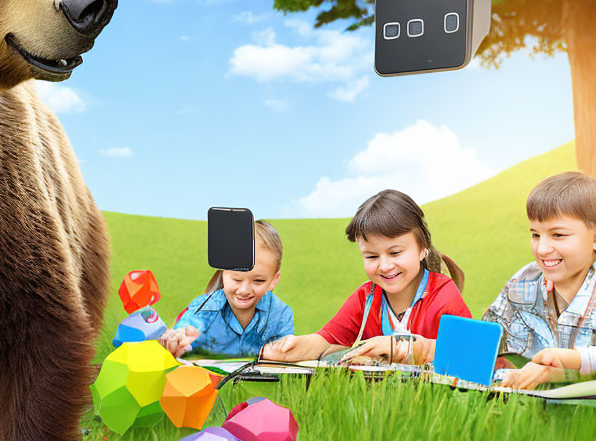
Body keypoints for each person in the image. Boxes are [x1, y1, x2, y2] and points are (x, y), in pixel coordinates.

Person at [262, 189, 470, 365]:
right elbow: (327, 341)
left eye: (395, 253)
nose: (385, 266)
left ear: (422, 248)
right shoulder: (367, 297)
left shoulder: (442, 294)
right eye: (372, 256)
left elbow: (472, 355)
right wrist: (292, 348)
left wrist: (407, 349)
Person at [483, 172, 596, 389]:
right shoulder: (524, 282)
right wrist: (430, 348)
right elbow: (487, 344)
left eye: (558, 235)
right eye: (535, 235)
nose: (542, 249)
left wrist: (559, 364)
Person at [159, 220, 293, 357]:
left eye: (258, 281)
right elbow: (189, 326)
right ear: (223, 273)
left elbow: (287, 355)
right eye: (237, 279)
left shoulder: (281, 314)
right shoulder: (207, 307)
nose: (244, 290)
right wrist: (180, 336)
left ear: (274, 280)